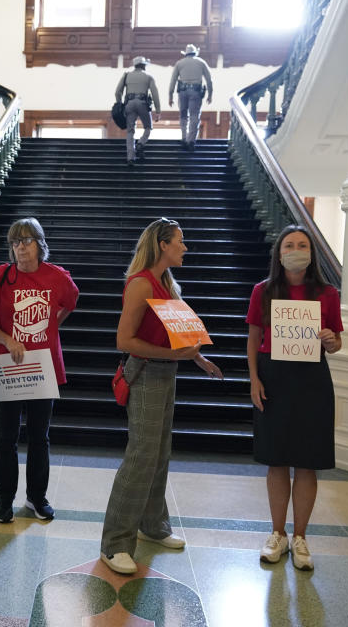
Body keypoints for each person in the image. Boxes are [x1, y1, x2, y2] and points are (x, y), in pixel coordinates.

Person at [100, 218, 223, 575]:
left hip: (165, 372)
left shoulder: (167, 283)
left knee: (159, 454)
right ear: (162, 245)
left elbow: (175, 335)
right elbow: (125, 341)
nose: (185, 248)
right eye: (180, 242)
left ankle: (153, 526)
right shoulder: (141, 284)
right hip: (147, 374)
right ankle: (115, 543)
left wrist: (197, 358)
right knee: (141, 456)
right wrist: (176, 357)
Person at [246, 225, 342, 571]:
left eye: (303, 244)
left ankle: (300, 536)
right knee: (276, 459)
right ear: (279, 252)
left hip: (312, 377)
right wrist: (254, 378)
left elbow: (335, 340)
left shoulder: (328, 293)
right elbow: (254, 337)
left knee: (307, 461)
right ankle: (277, 533)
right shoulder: (264, 291)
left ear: (311, 252)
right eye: (289, 244)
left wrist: (331, 340)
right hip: (274, 376)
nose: (296, 249)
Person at [0, 218, 79, 524]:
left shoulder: (57, 277)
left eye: (26, 240)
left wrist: (51, 327)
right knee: (5, 437)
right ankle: (4, 500)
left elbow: (69, 304)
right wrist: (8, 339)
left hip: (42, 366)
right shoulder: (1, 276)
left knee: (40, 436)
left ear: (40, 243)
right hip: (7, 365)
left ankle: (37, 497)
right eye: (15, 242)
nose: (20, 247)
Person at [115, 56, 161, 166]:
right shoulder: (149, 77)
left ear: (135, 65)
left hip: (129, 104)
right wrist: (158, 110)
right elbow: (155, 94)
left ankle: (130, 158)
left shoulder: (126, 75)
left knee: (130, 131)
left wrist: (119, 104)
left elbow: (117, 92)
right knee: (148, 127)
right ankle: (140, 143)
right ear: (144, 65)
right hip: (143, 104)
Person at [168, 44, 213, 152]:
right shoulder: (201, 62)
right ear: (195, 53)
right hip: (196, 92)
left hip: (182, 92)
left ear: (186, 53)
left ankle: (184, 137)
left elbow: (173, 81)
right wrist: (210, 94)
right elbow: (209, 80)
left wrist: (170, 96)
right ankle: (191, 140)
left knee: (183, 115)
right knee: (194, 116)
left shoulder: (179, 63)